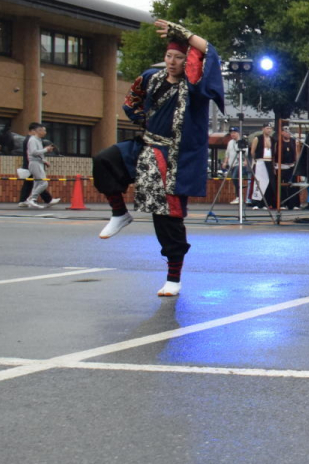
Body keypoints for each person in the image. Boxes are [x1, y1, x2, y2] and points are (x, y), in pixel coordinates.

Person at [91, 19, 224, 296]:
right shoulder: (151, 78)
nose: (173, 62)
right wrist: (144, 119)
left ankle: (173, 278)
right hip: (146, 145)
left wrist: (186, 34)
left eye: (179, 57)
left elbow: (211, 53)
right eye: (169, 56)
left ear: (188, 61)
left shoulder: (194, 88)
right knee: (105, 159)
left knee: (167, 217)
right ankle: (119, 213)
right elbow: (131, 102)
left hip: (173, 157)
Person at [19, 122, 59, 209]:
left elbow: (38, 153)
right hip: (34, 163)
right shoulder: (33, 140)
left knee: (37, 183)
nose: (45, 132)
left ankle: (32, 199)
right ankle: (31, 198)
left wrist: (44, 160)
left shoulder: (38, 140)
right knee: (44, 182)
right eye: (43, 130)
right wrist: (46, 150)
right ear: (38, 131)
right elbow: (33, 152)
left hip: (38, 163)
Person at [247, 123, 275, 208]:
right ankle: (256, 202)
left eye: (270, 128)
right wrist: (255, 160)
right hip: (260, 161)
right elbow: (252, 151)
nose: (269, 130)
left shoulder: (272, 139)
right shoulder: (257, 139)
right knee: (258, 182)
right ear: (263, 129)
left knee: (269, 182)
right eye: (267, 128)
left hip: (269, 162)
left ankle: (266, 202)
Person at [276, 123, 299, 209]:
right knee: (281, 185)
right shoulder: (278, 142)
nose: (287, 133)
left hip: (292, 165)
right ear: (282, 133)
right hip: (282, 165)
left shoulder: (293, 141)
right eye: (285, 131)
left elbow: (296, 152)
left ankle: (294, 204)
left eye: (288, 131)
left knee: (293, 185)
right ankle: (282, 203)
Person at [222, 129, 244, 204]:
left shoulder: (242, 141)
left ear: (238, 133)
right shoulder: (230, 142)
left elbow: (246, 152)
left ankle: (239, 196)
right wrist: (225, 162)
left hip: (239, 163)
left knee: (235, 177)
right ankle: (238, 196)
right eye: (231, 133)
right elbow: (227, 153)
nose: (233, 134)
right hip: (231, 164)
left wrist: (245, 161)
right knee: (234, 180)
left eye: (234, 133)